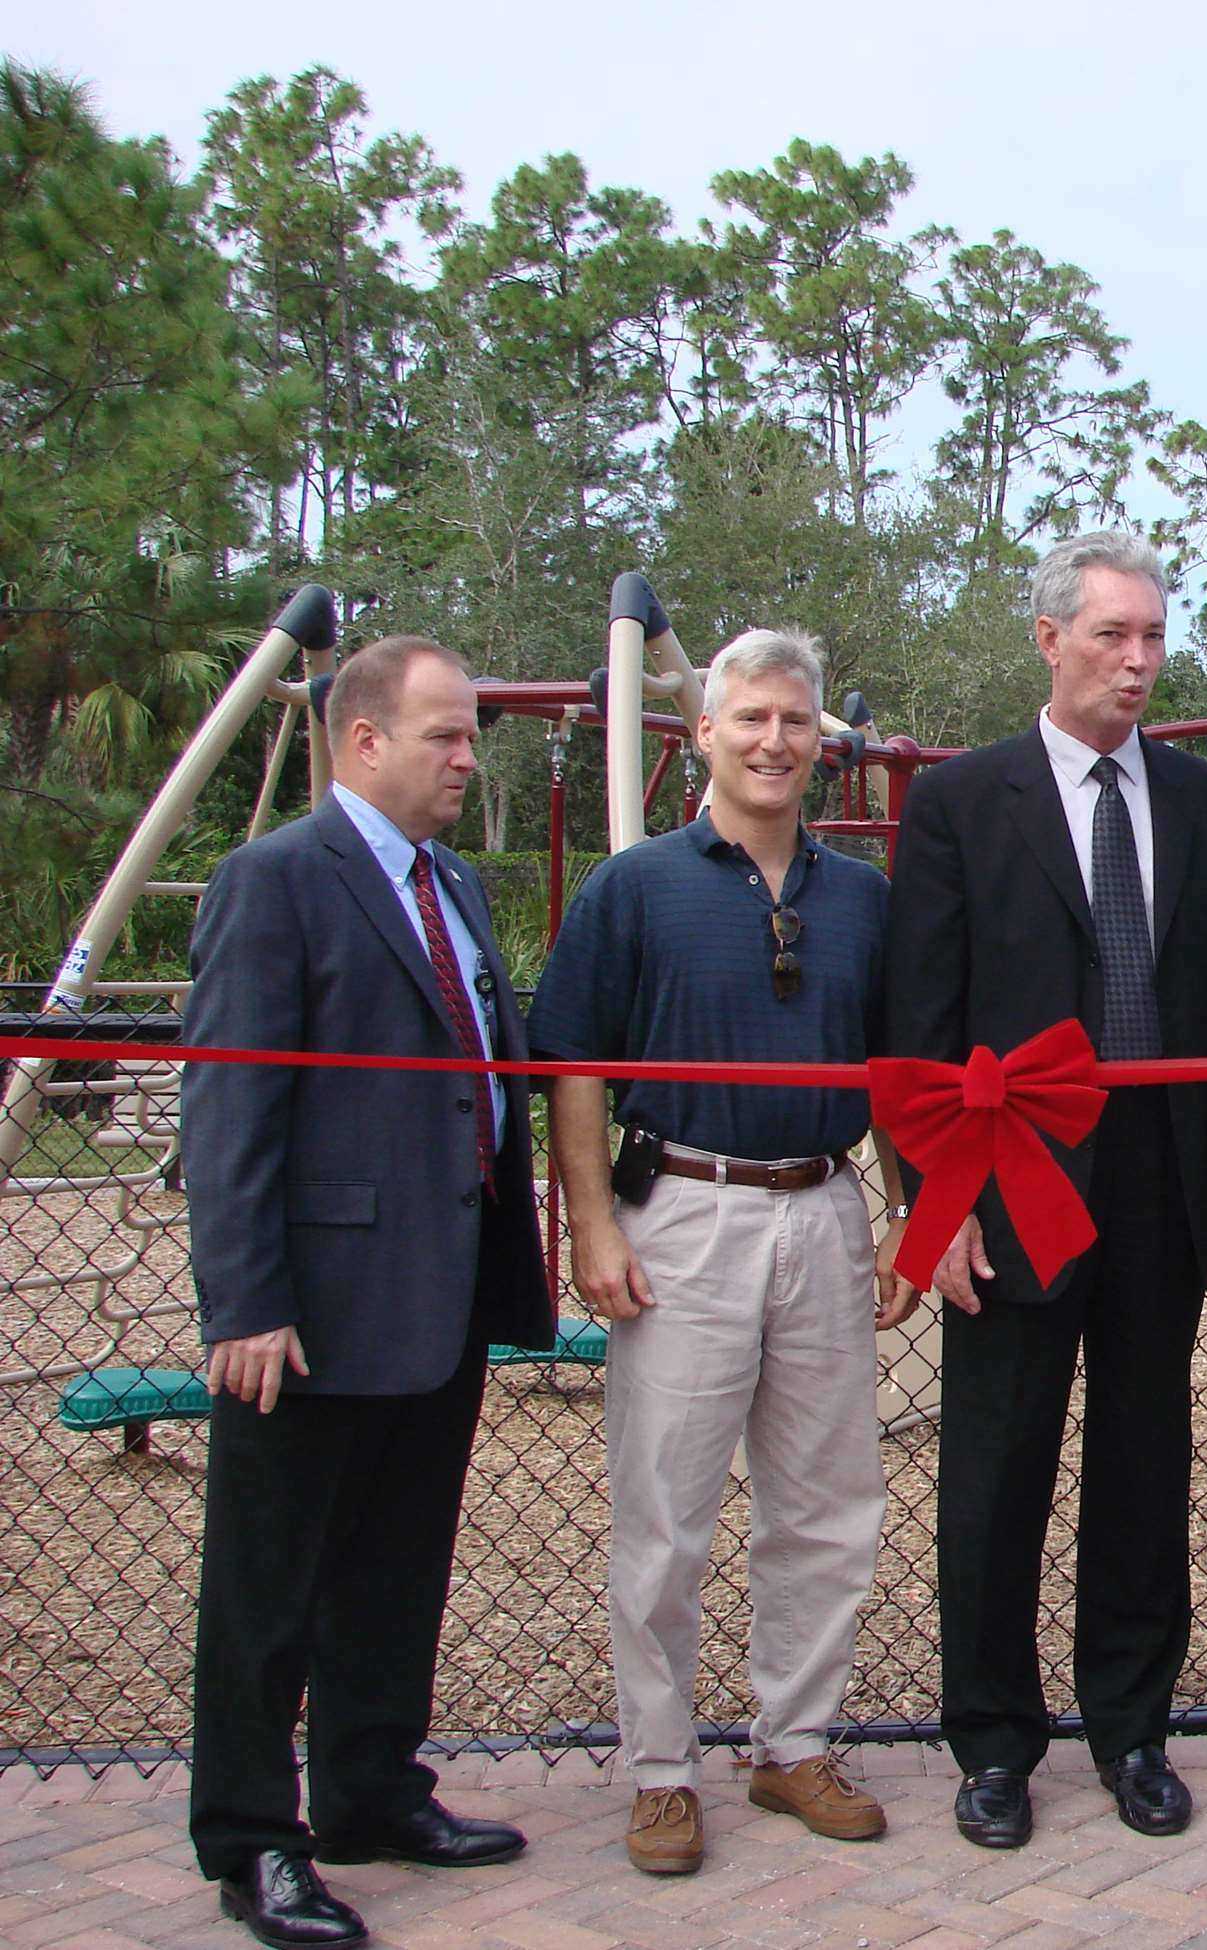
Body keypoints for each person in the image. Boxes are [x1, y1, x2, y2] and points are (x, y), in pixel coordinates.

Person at [881, 529, 1207, 1850]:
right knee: (996, 1471)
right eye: (1114, 634)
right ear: (1049, 640)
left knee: (1143, 1464)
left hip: (1164, 1189)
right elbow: (919, 1022)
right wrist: (930, 1212)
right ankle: (993, 1744)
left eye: (1156, 637)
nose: (1139, 660)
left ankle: (1132, 1728)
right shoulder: (957, 803)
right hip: (1008, 1196)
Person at [182, 634, 552, 1950]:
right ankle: (250, 1841)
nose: (468, 756)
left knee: (396, 1572)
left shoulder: (445, 879)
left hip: (437, 1294)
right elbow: (231, 1102)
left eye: (471, 735)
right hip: (310, 1308)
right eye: (447, 735)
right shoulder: (274, 881)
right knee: (267, 1591)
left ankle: (369, 1792)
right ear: (362, 740)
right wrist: (242, 1301)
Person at [530, 627, 910, 1877]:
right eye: (749, 719)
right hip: (683, 1209)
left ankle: (792, 1742)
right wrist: (590, 1220)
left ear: (821, 742)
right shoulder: (632, 887)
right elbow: (573, 1059)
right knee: (666, 1510)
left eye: (795, 723)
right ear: (702, 732)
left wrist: (910, 1212)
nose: (773, 742)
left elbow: (901, 1072)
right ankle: (657, 1768)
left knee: (825, 1502)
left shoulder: (861, 898)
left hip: (822, 1206)